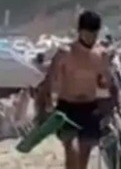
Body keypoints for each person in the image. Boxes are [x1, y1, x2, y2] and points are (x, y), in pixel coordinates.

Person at [46, 10, 114, 169]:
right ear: (80, 31)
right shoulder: (65, 53)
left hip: (90, 108)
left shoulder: (101, 54)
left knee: (83, 157)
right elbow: (49, 78)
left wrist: (111, 106)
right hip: (67, 107)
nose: (92, 37)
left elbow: (109, 83)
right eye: (88, 33)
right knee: (72, 150)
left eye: (94, 33)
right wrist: (48, 103)